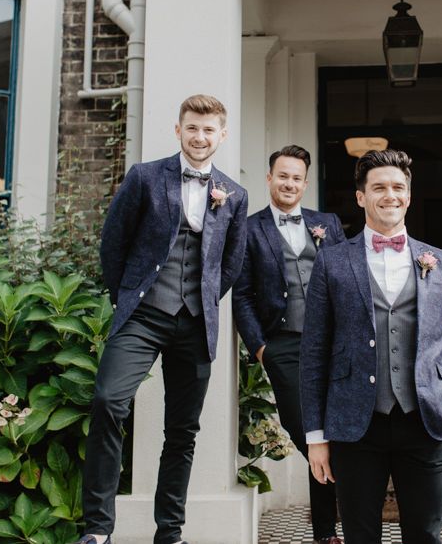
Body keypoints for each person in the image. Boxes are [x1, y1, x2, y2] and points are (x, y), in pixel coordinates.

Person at [77, 94, 248, 544]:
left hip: (195, 323)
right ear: (178, 129)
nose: (200, 136)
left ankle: (169, 532)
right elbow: (113, 243)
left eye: (209, 129)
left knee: (182, 431)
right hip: (143, 315)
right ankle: (97, 530)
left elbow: (230, 264)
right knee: (109, 402)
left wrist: (204, 300)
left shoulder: (234, 195)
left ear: (221, 135)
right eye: (192, 127)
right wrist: (127, 297)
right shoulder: (146, 177)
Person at [301, 148, 442, 544]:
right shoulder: (331, 263)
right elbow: (313, 354)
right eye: (378, 187)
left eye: (398, 187)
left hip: (426, 420)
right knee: (361, 535)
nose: (390, 195)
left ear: (409, 196)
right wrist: (316, 437)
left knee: (426, 535)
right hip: (354, 427)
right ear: (361, 196)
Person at [233, 144, 345, 544]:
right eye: (283, 176)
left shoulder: (328, 223)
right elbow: (241, 294)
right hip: (282, 347)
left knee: (333, 435)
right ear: (269, 178)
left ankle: (326, 533)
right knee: (309, 435)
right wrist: (261, 347)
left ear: (305, 182)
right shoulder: (248, 228)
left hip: (332, 345)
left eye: (297, 177)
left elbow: (347, 279)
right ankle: (330, 528)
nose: (289, 183)